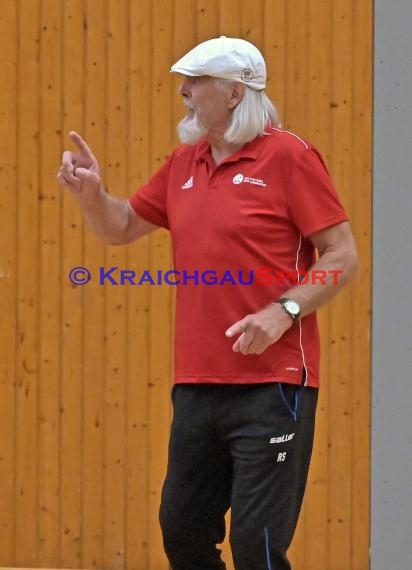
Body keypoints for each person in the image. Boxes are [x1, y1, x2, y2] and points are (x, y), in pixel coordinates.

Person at [58, 36, 359, 570]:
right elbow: (122, 225)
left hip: (275, 385)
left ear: (235, 92)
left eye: (195, 82)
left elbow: (342, 257)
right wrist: (91, 197)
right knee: (182, 534)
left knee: (256, 545)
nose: (184, 92)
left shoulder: (289, 155)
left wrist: (281, 312)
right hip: (197, 384)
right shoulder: (184, 163)